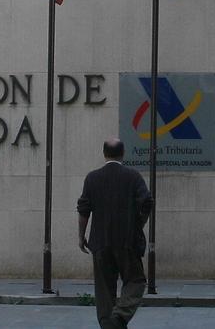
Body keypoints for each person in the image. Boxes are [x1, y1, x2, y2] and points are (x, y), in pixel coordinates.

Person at [77, 138, 154, 329]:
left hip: (100, 241)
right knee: (135, 280)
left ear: (104, 154)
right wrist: (139, 223)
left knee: (104, 289)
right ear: (123, 153)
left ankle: (107, 323)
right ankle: (119, 317)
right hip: (127, 240)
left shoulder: (92, 178)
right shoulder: (133, 176)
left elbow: (83, 210)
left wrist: (81, 236)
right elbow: (147, 202)